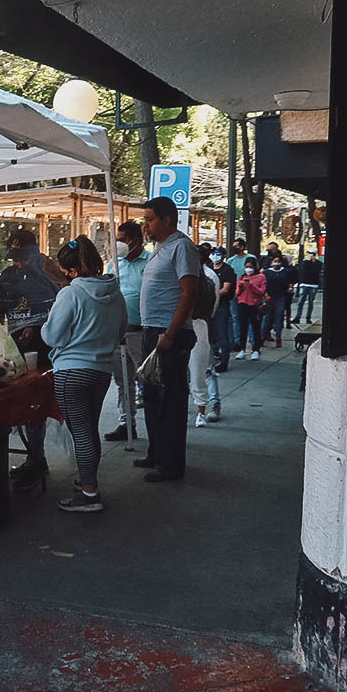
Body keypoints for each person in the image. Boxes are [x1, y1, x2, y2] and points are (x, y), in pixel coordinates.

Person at [41, 236, 126, 512]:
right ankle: (88, 483)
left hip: (71, 372)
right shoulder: (115, 292)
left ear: (72, 271)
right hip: (101, 371)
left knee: (81, 432)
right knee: (89, 430)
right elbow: (121, 331)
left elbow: (52, 336)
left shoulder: (71, 293)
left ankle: (89, 495)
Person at [0, 229, 66, 490]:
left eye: (23, 258)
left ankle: (36, 458)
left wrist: (39, 327)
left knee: (36, 405)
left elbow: (62, 306)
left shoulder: (49, 272)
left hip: (44, 350)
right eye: (15, 258)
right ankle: (21, 457)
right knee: (10, 401)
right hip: (12, 349)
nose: (18, 263)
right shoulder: (9, 275)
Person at [135, 196, 198, 483]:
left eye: (149, 219)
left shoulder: (182, 247)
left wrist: (171, 333)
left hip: (168, 332)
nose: (145, 225)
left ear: (167, 220)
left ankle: (171, 464)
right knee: (150, 395)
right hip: (152, 330)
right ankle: (156, 452)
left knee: (170, 399)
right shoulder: (159, 248)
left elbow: (189, 293)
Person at [104, 221, 151, 442]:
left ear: (135, 240)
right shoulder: (114, 264)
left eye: (122, 240)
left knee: (148, 379)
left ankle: (155, 425)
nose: (118, 244)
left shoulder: (150, 262)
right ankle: (126, 423)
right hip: (116, 331)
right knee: (123, 381)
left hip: (141, 331)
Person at [188, 246, 222, 428]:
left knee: (202, 371)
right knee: (197, 371)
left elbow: (212, 306)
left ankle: (206, 408)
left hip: (199, 325)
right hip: (194, 325)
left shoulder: (209, 278)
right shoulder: (203, 277)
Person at [208, 245, 237, 373]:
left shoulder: (228, 270)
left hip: (221, 305)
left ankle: (224, 361)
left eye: (218, 254)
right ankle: (214, 355)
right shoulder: (208, 268)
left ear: (224, 256)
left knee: (222, 333)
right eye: (213, 253)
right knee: (210, 333)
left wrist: (212, 293)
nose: (215, 256)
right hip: (208, 305)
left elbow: (226, 289)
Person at [234, 256, 266, 360]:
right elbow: (237, 293)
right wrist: (241, 286)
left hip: (255, 305)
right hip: (242, 304)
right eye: (246, 267)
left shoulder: (261, 277)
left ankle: (256, 349)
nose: (248, 269)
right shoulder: (242, 277)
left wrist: (251, 286)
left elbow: (262, 292)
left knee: (256, 328)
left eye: (250, 267)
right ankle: (242, 349)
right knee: (242, 328)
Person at [260, 255, 291, 348]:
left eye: (278, 261)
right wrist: (265, 295)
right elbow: (263, 285)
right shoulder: (267, 272)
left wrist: (289, 287)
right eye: (275, 260)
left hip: (281, 296)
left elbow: (289, 282)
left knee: (279, 318)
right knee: (267, 318)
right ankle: (262, 336)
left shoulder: (285, 272)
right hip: (269, 297)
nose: (276, 262)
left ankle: (278, 337)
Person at [292, 249, 322, 324]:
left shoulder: (319, 263)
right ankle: (298, 317)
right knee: (301, 301)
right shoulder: (304, 262)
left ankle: (308, 317)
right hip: (304, 283)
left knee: (310, 302)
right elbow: (303, 270)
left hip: (313, 284)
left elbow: (316, 272)